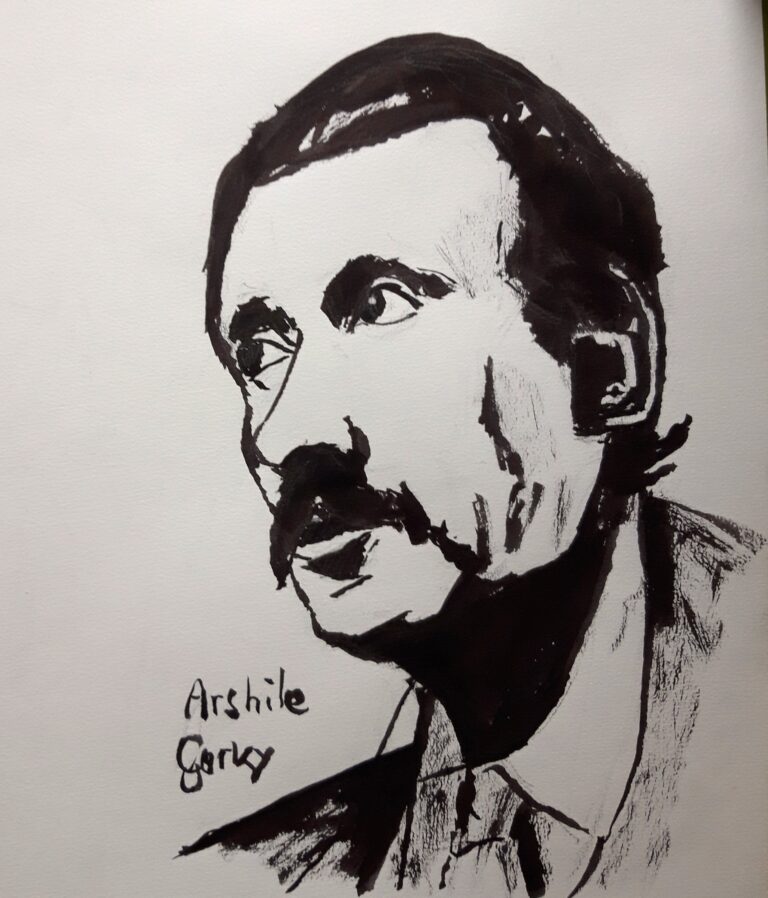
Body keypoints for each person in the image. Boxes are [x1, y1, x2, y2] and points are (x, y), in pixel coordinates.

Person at [179, 34, 763, 895]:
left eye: (381, 305)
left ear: (607, 365)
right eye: (262, 353)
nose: (282, 434)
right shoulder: (282, 873)